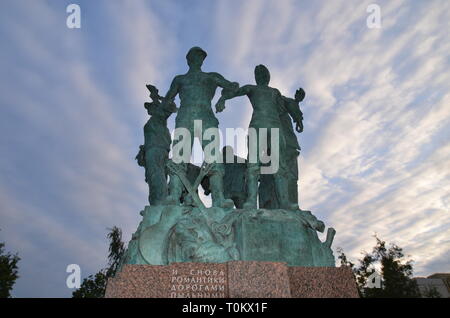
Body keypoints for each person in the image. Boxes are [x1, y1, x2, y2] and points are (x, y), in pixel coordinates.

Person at [161, 47, 238, 208]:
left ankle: (218, 198)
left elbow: (233, 86)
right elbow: (167, 99)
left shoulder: (211, 77)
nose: (199, 60)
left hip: (206, 116)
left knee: (213, 156)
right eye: (196, 57)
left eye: (201, 57)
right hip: (185, 117)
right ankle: (174, 195)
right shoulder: (179, 79)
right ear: (189, 59)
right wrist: (170, 106)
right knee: (179, 155)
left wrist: (222, 99)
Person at [215, 64, 298, 210]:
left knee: (280, 166)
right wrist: (223, 98)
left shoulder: (275, 92)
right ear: (256, 77)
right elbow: (236, 92)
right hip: (257, 126)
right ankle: (252, 201)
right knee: (253, 165)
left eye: (264, 73)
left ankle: (284, 202)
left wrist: (296, 113)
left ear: (268, 76)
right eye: (259, 73)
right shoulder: (251, 89)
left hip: (274, 127)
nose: (262, 76)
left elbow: (284, 109)